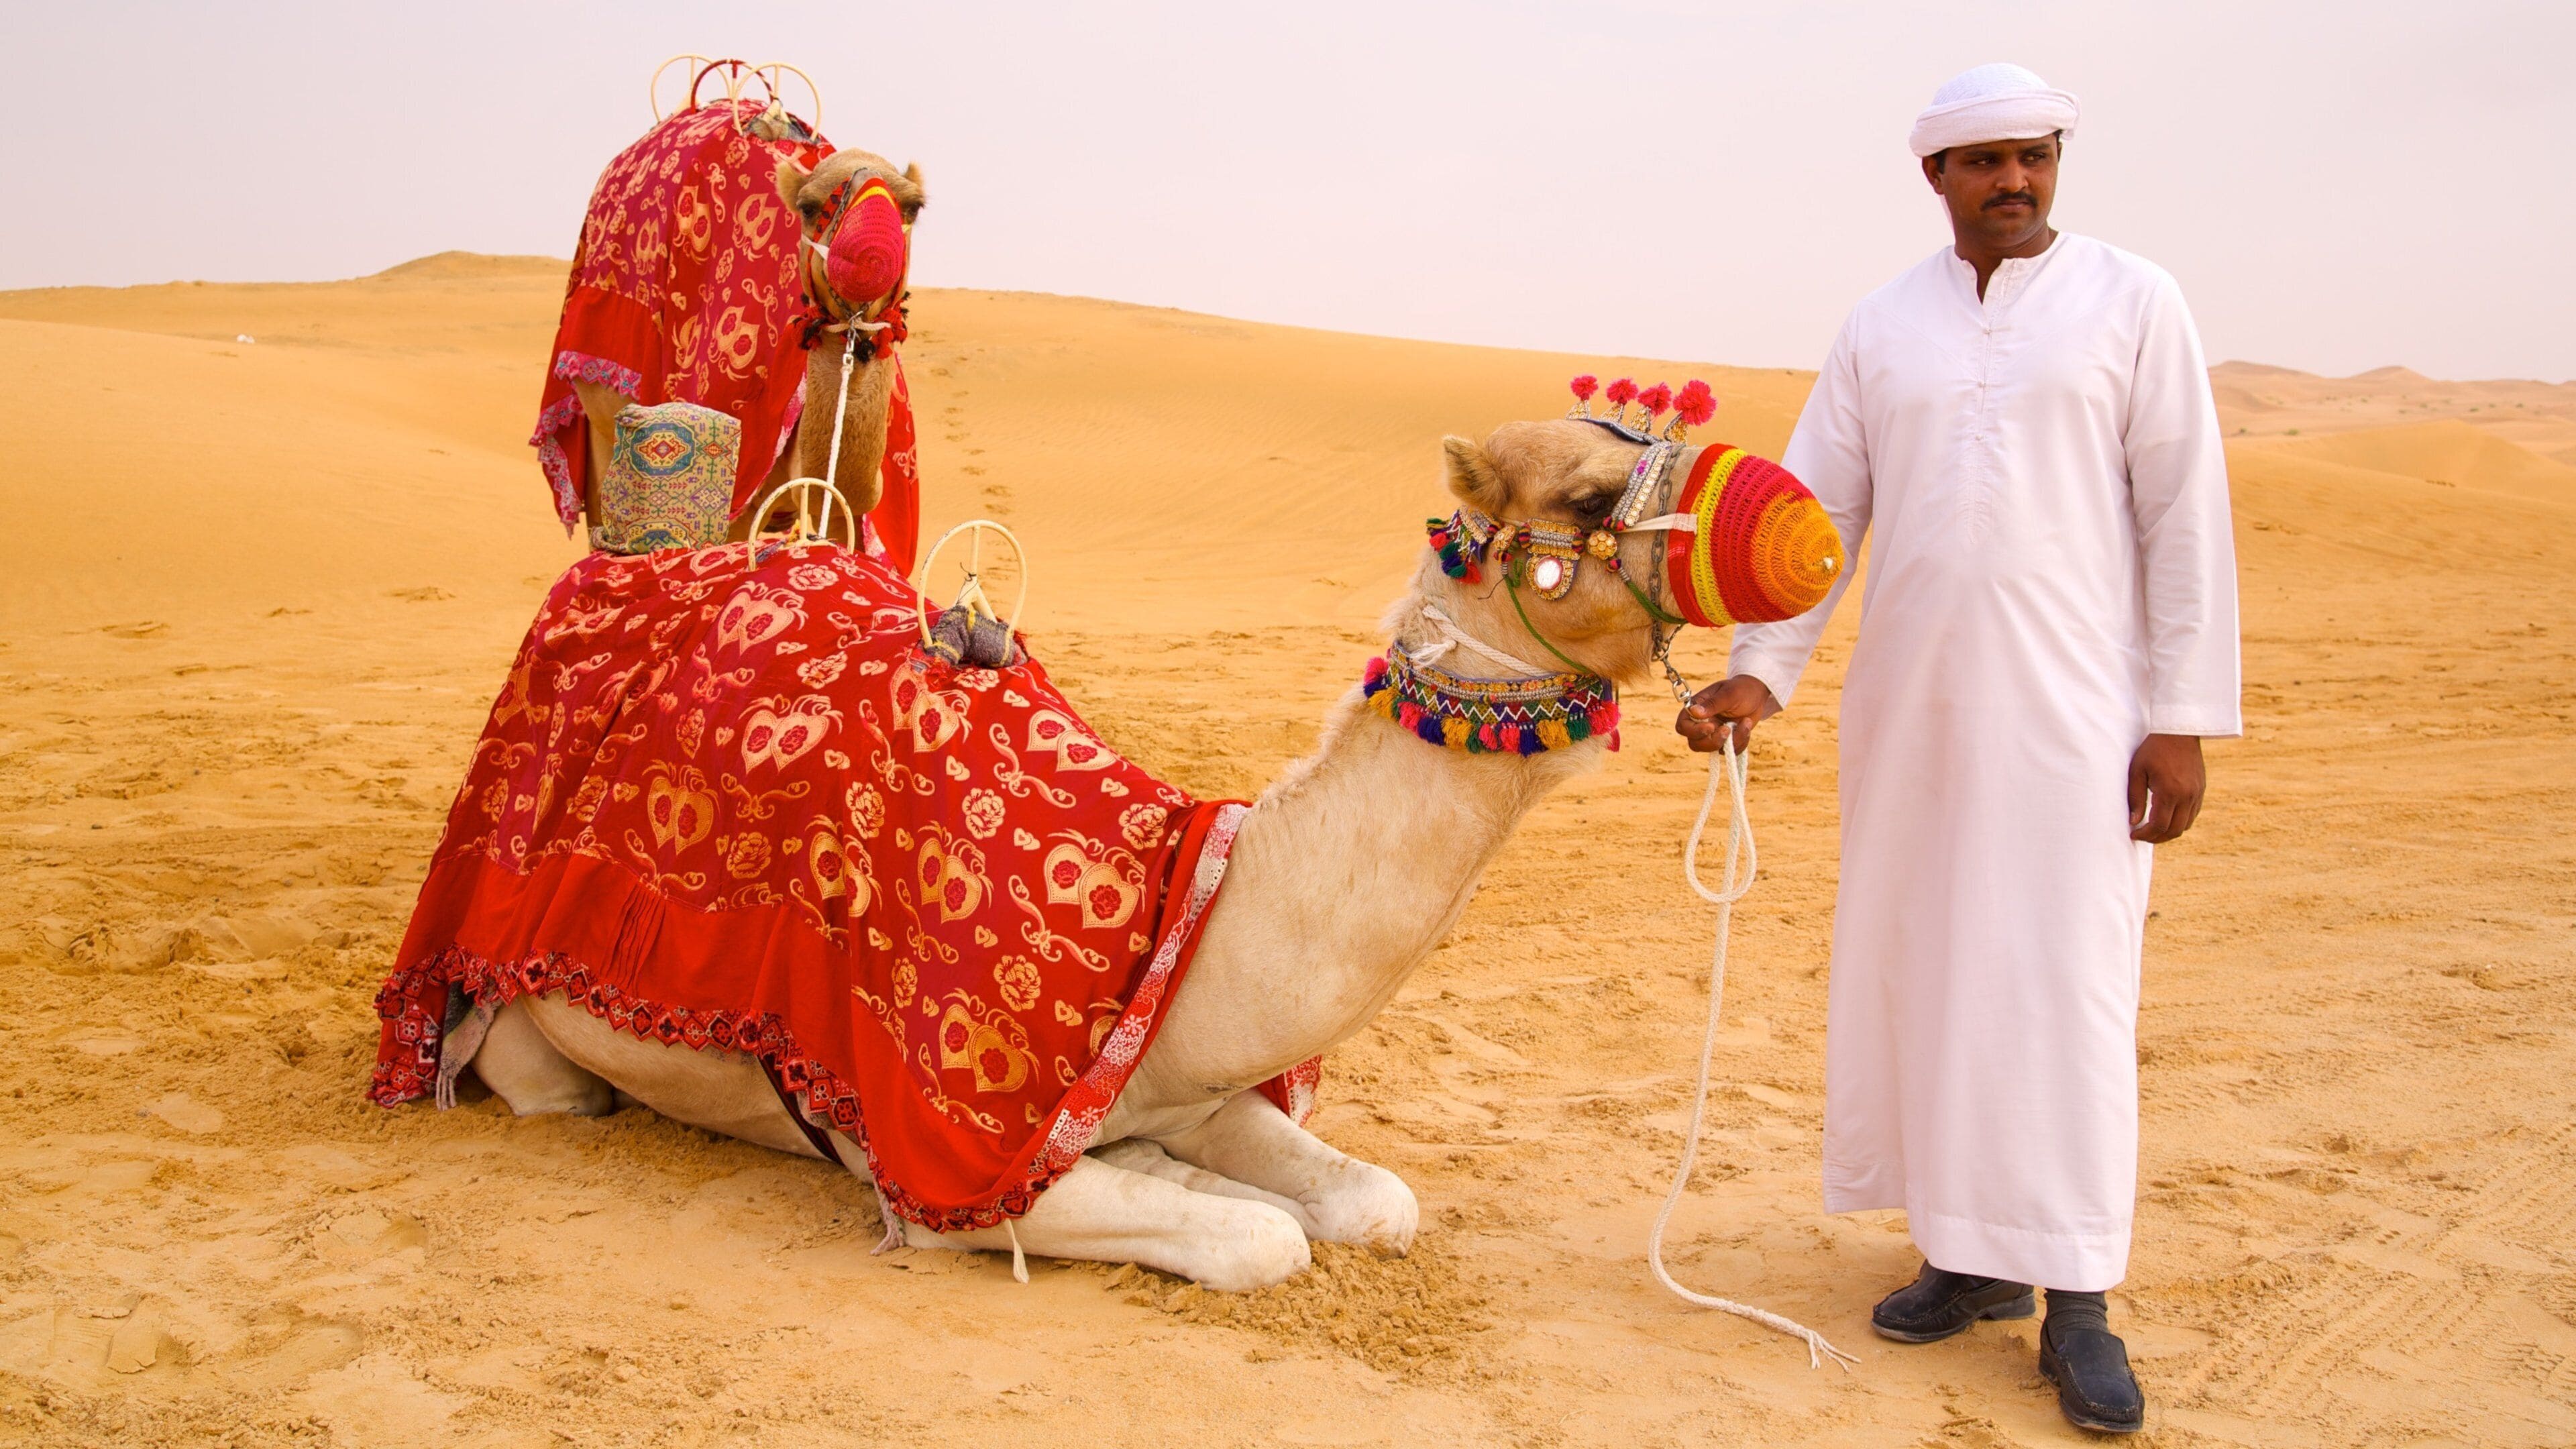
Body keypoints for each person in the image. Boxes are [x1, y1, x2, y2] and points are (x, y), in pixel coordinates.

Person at [1675, 62, 2239, 1434]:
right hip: (1913, 714)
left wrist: (2180, 714)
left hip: (2080, 720)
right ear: (1936, 176)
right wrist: (1760, 677)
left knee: (2062, 990)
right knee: (1931, 969)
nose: (2015, 182)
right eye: (1984, 162)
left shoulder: (2134, 301)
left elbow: (2184, 515)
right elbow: (1815, 523)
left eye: (2034, 156)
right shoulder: (1883, 325)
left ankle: (2080, 1300)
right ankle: (1968, 1257)